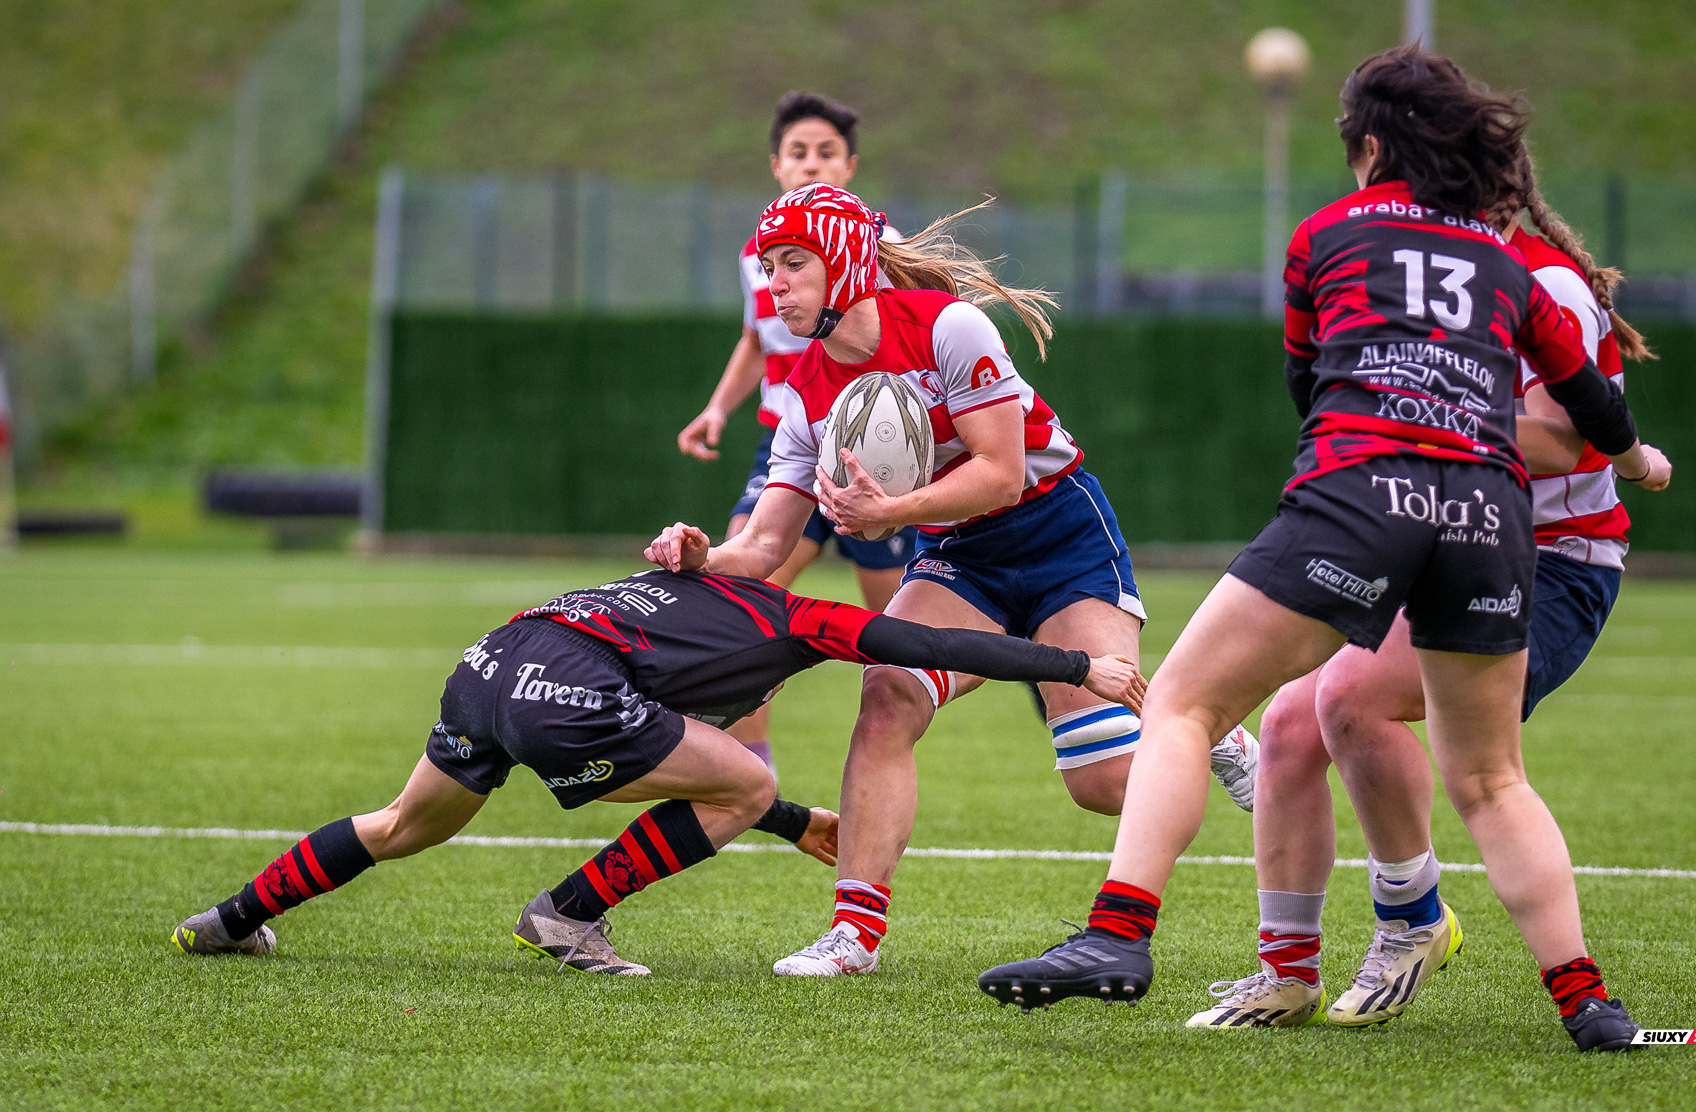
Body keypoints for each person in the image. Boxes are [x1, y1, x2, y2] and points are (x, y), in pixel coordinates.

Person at [975, 46, 1672, 1054]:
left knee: (1183, 699)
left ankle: (1116, 936)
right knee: (1490, 779)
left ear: (1373, 145)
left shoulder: (1326, 234)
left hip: (1370, 496)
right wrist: (1639, 457)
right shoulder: (1506, 261)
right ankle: (1587, 1004)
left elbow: (1312, 386)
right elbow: (1599, 411)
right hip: (1488, 515)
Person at [647, 183, 1260, 977]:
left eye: (793, 263)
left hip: (1058, 534)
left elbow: (1004, 476)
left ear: (842, 262)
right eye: (769, 267)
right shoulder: (802, 393)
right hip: (960, 556)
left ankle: (1208, 726)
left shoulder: (948, 326)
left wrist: (892, 509)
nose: (776, 286)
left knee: (1103, 781)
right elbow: (765, 543)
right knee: (887, 695)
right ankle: (854, 934)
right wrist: (703, 558)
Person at [1193, 167, 1669, 1032]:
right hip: (1431, 535)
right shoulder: (1417, 257)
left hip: (1549, 558)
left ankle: (1420, 924)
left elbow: (1567, 442)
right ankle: (1287, 972)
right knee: (1292, 725)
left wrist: (1411, 407)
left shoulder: (1537, 276)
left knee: (1361, 706)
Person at [171, 568, 1144, 975]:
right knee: (747, 785)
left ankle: (231, 921)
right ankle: (566, 914)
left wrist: (796, 820)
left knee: (401, 826)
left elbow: (687, 761)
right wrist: (1074, 665)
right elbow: (926, 639)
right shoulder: (802, 618)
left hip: (490, 662)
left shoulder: (686, 578)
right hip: (566, 689)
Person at [675, 92, 914, 779]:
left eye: (826, 152)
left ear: (850, 166)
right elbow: (757, 340)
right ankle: (750, 771)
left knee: (910, 633)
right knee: (742, 601)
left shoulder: (879, 243)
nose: (811, 163)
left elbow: (914, 333)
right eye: (798, 152)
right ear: (776, 165)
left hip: (876, 452)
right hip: (789, 443)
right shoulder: (758, 254)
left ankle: (1063, 674)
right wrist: (718, 407)